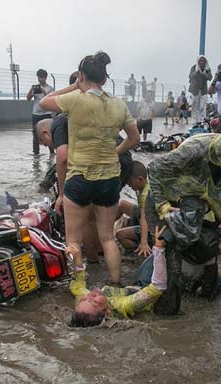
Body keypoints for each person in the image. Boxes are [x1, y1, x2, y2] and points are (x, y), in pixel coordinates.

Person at [39, 51, 140, 284]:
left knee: (73, 240)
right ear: (105, 79)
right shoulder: (118, 104)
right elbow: (134, 138)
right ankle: (115, 284)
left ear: (82, 76)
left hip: (79, 178)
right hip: (109, 179)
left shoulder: (75, 99)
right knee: (107, 238)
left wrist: (74, 86)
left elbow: (43, 102)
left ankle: (79, 286)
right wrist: (114, 152)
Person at [147, 125, 221, 314]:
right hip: (170, 200)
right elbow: (154, 168)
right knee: (169, 248)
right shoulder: (195, 151)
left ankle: (205, 289)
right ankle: (169, 304)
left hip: (197, 202)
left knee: (207, 241)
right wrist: (162, 206)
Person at [67, 226, 167, 327]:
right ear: (107, 314)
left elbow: (77, 287)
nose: (89, 295)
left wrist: (77, 260)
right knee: (162, 250)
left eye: (83, 300)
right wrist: (159, 248)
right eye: (94, 303)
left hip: (135, 285)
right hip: (148, 284)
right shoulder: (125, 305)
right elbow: (158, 287)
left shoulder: (85, 302)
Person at [115, 161, 151, 256]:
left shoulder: (145, 194)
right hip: (145, 215)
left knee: (120, 234)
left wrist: (144, 242)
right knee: (122, 204)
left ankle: (136, 250)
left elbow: (144, 218)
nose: (128, 185)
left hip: (150, 226)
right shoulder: (139, 188)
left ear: (140, 179)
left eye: (130, 182)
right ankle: (105, 229)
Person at [27, 69, 55, 155]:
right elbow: (28, 98)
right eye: (39, 77)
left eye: (41, 77)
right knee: (35, 135)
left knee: (49, 133)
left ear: (45, 78)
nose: (40, 79)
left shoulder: (50, 89)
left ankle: (52, 152)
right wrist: (31, 91)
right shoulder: (36, 88)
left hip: (46, 114)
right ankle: (36, 154)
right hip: (36, 114)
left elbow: (51, 100)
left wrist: (44, 92)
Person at [189, 55, 213, 121]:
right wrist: (196, 72)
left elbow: (210, 77)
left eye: (203, 61)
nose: (202, 62)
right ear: (198, 61)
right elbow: (190, 76)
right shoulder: (194, 67)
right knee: (194, 106)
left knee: (203, 107)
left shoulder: (207, 68)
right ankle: (195, 121)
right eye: (200, 61)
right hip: (195, 90)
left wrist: (204, 73)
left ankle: (202, 121)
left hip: (203, 90)